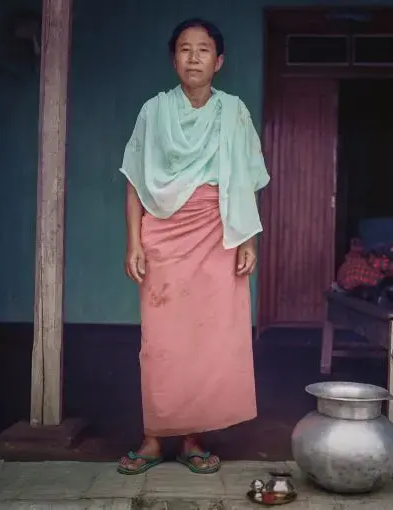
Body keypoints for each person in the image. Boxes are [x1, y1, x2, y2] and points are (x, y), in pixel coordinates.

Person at [116, 18, 270, 475]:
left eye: (203, 50)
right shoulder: (154, 111)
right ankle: (152, 438)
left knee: (207, 337)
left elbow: (246, 179)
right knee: (161, 340)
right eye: (185, 49)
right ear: (174, 59)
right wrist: (133, 243)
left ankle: (191, 438)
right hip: (162, 237)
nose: (194, 57)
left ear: (218, 62)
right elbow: (135, 183)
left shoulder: (234, 112)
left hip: (217, 234)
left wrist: (248, 239)